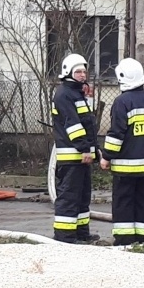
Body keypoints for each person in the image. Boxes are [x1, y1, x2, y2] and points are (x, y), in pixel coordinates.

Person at [100, 58, 144, 246]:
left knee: (124, 202)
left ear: (122, 78)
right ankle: (140, 238)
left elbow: (116, 135)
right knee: (142, 202)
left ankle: (124, 240)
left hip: (126, 167)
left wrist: (106, 156)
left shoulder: (122, 102)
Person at [51, 53, 99, 244]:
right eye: (78, 71)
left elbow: (87, 124)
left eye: (84, 71)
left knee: (82, 197)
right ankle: (65, 237)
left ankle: (81, 233)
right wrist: (84, 149)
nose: (82, 75)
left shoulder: (76, 93)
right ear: (68, 72)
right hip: (72, 156)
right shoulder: (64, 94)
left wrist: (95, 149)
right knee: (70, 197)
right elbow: (74, 126)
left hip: (80, 155)